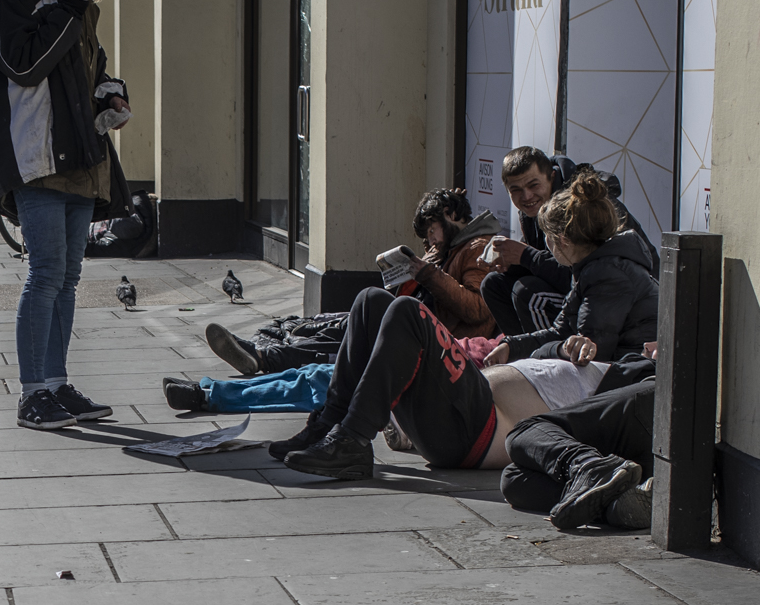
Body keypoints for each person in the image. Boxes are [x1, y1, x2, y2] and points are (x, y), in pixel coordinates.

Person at [273, 170, 660, 479]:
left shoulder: (611, 280)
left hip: (477, 428)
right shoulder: (594, 271)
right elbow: (564, 337)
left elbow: (585, 346)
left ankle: (353, 440)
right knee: (371, 301)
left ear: (563, 239)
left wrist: (549, 347)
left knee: (406, 311)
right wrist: (517, 346)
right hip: (468, 412)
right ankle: (331, 424)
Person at [0, 0, 134, 430]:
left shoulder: (79, 10)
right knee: (44, 274)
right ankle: (31, 395)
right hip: (37, 159)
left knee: (68, 277)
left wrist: (110, 92)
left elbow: (91, 71)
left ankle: (56, 383)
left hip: (82, 158)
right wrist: (67, 4)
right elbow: (24, 66)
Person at [173, 189, 499, 413]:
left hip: (424, 351)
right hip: (414, 340)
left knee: (321, 376)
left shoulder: (477, 249)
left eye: (431, 230)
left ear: (450, 214)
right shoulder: (451, 250)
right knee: (324, 353)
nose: (429, 239)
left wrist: (428, 272)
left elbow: (475, 308)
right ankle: (214, 387)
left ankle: (217, 390)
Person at [485, 171, 658, 365]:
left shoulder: (607, 275)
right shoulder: (592, 268)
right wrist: (512, 347)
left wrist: (538, 357)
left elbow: (591, 356)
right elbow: (562, 331)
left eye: (547, 237)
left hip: (634, 371)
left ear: (562, 241)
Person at [500, 361, 656, 530]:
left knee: (524, 430)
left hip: (664, 405)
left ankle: (587, 464)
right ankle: (619, 507)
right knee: (514, 479)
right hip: (670, 456)